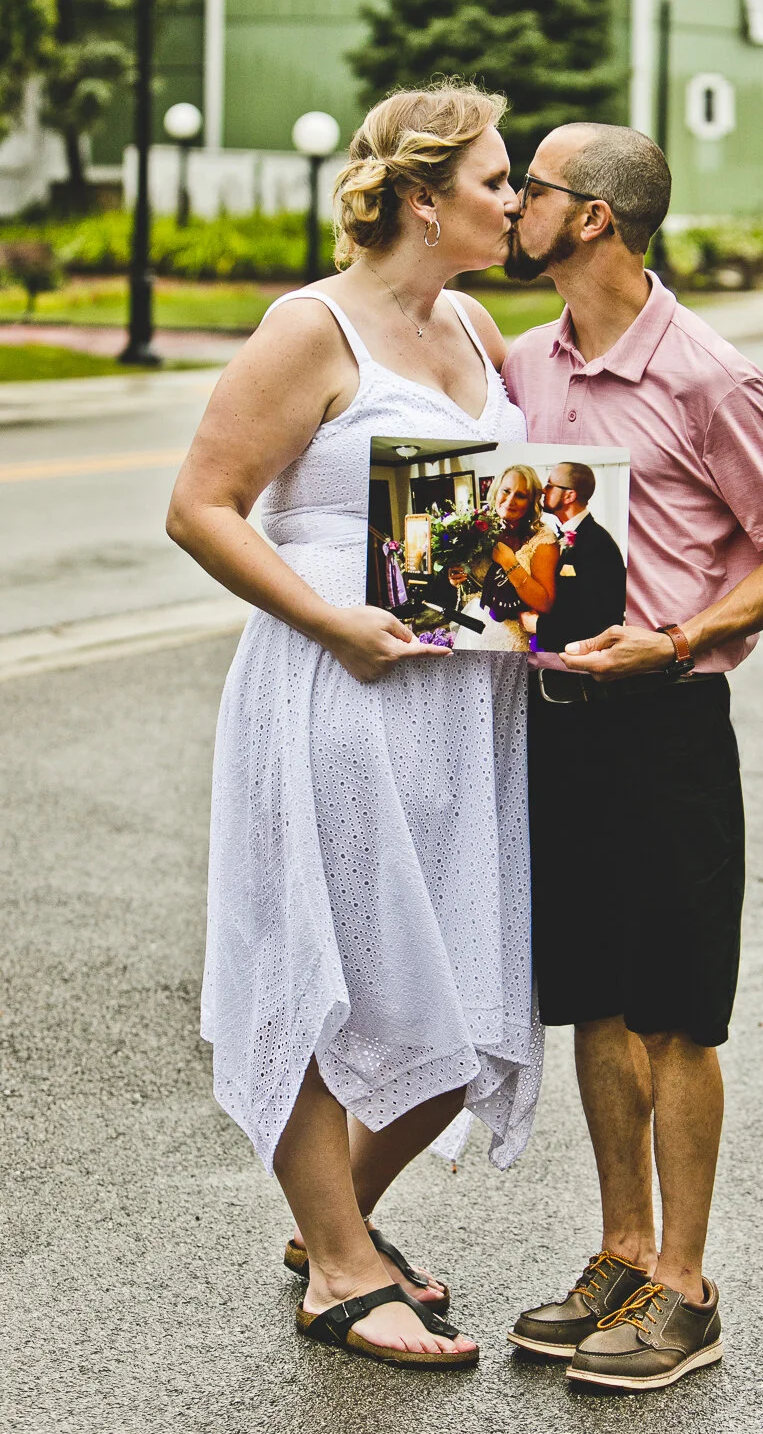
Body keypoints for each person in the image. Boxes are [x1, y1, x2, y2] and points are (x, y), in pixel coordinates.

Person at [166, 82, 544, 1371]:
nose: (517, 197)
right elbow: (202, 507)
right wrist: (332, 624)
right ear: (425, 200)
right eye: (497, 179)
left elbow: (494, 510)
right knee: (336, 974)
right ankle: (336, 1265)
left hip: (463, 699)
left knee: (456, 984)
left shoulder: (478, 323)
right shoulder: (307, 329)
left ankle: (340, 1225)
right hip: (339, 686)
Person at [502, 123, 763, 1392]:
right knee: (594, 999)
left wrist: (682, 637)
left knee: (674, 1014)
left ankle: (687, 1293)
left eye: (527, 189)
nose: (511, 208)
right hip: (557, 722)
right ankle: (623, 1253)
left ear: (590, 217)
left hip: (668, 728)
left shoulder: (708, 376)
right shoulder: (525, 361)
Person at [521, 462, 626, 655]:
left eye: (550, 485)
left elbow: (600, 619)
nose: (544, 490)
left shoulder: (598, 544)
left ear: (569, 495)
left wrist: (540, 626)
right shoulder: (561, 536)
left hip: (579, 662)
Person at [450, 463, 558, 651]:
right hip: (475, 631)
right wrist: (457, 575)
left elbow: (545, 603)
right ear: (496, 490)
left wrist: (509, 563)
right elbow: (471, 580)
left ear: (531, 500)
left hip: (513, 641)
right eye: (506, 491)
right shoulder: (477, 529)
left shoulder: (542, 539)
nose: (510, 500)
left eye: (521, 495)